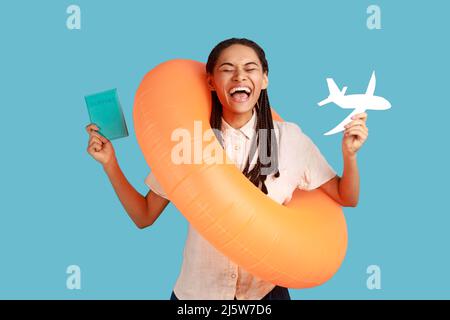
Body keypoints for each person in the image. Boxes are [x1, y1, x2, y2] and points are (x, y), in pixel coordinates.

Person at [85, 38, 368, 300]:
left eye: (250, 68)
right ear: (210, 81)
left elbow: (347, 197)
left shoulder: (289, 139)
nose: (239, 77)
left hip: (265, 294)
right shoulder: (190, 141)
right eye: (227, 69)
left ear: (264, 79)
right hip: (199, 294)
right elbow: (144, 215)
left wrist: (349, 155)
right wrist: (110, 163)